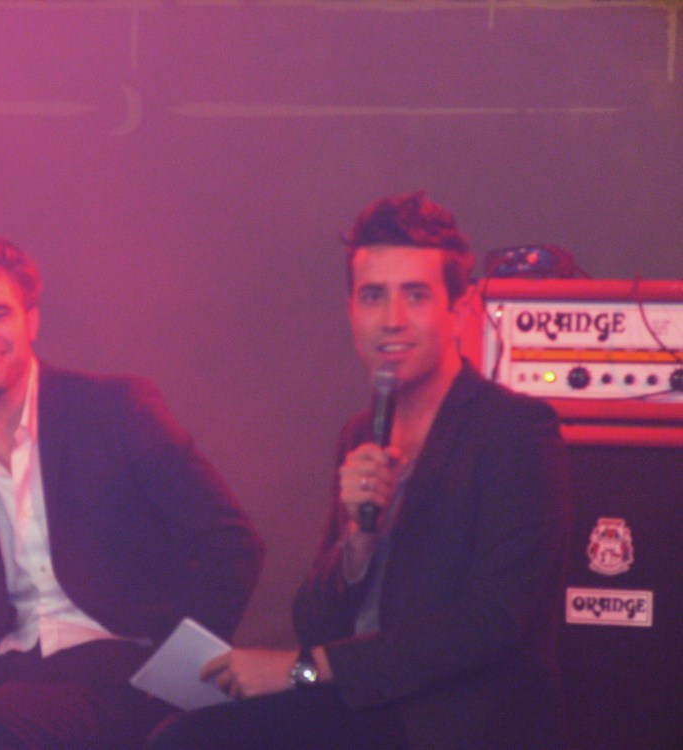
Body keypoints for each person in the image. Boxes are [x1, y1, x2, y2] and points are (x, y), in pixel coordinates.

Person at [146, 191, 570, 750]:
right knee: (180, 738)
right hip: (358, 707)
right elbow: (315, 622)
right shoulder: (361, 433)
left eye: (415, 295)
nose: (392, 320)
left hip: (453, 720)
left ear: (459, 310)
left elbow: (493, 622)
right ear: (351, 310)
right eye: (373, 296)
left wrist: (303, 669)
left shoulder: (513, 429)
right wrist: (358, 543)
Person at [0, 224, 264, 750]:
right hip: (6, 668)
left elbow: (230, 544)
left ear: (30, 318)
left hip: (122, 664)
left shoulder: (115, 409)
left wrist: (178, 670)